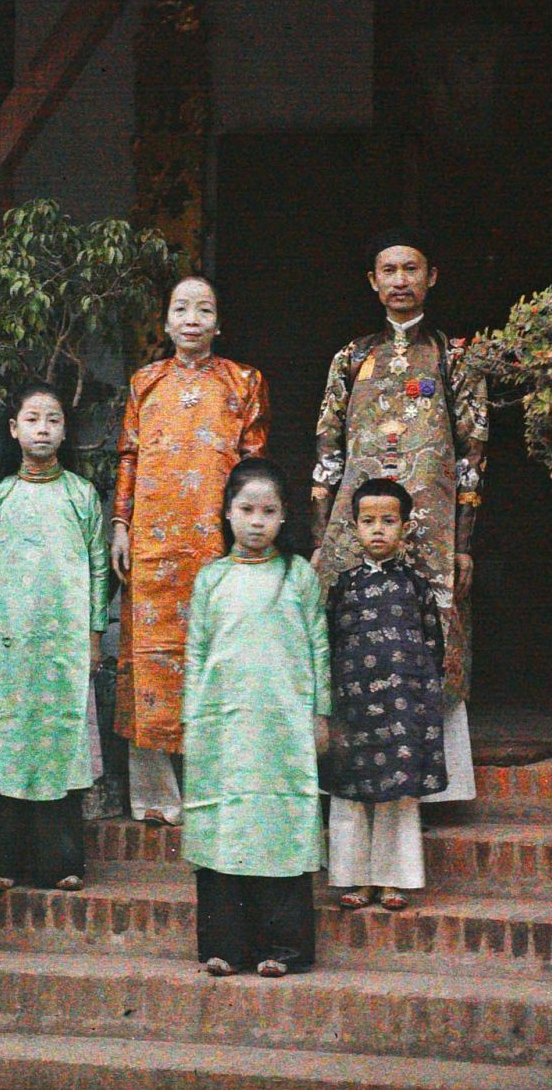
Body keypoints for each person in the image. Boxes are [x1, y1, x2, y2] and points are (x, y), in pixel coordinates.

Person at [311, 231, 485, 806]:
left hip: (431, 530)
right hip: (355, 527)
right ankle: (355, 781)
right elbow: (327, 452)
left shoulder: (454, 355)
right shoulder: (351, 357)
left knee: (431, 642)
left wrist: (463, 542)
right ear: (373, 281)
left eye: (411, 269)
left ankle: (436, 789)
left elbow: (473, 455)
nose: (400, 280)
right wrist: (320, 537)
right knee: (356, 642)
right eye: (389, 270)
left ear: (431, 277)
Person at [112, 275, 271, 827]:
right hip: (151, 544)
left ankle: (218, 788)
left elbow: (254, 464)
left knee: (217, 659)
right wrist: (120, 524)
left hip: (214, 541)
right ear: (166, 321)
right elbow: (129, 456)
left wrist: (245, 533)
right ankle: (155, 796)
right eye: (181, 309)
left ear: (218, 322)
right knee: (150, 662)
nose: (192, 320)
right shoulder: (146, 381)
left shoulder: (243, 380)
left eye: (204, 309)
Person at [181, 457, 329, 979]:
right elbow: (196, 653)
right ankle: (226, 946)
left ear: (284, 516)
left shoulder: (299, 576)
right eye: (246, 510)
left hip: (284, 727)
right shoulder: (211, 579)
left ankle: (284, 949)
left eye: (268, 511)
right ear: (227, 513)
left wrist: (321, 714)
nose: (257, 522)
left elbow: (319, 648)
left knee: (279, 827)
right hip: (222, 726)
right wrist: (192, 719)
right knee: (226, 829)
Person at [0, 382, 109, 893]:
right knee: (10, 747)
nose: (43, 430)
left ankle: (61, 862)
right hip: (9, 645)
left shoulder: (80, 494)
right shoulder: (0, 495)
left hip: (65, 645)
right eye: (32, 420)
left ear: (65, 430)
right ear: (14, 429)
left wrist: (94, 634)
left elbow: (98, 568)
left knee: (60, 745)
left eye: (53, 420)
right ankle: (4, 861)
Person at [324, 477, 446, 913]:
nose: (378, 529)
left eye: (388, 521)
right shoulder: (343, 586)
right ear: (354, 526)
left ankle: (393, 880)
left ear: (405, 527)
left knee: (398, 791)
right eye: (368, 521)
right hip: (353, 706)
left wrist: (421, 702)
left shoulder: (416, 587)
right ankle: (356, 879)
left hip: (402, 706)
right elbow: (330, 643)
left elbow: (432, 647)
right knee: (352, 790)